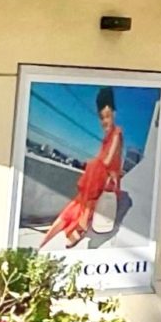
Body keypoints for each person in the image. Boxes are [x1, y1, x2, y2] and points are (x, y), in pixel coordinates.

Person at [40, 88, 125, 249]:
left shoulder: (117, 133)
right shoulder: (108, 136)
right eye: (101, 118)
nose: (104, 121)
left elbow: (107, 161)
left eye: (107, 116)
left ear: (114, 113)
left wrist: (90, 164)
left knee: (82, 204)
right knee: (73, 207)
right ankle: (41, 244)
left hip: (105, 182)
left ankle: (79, 227)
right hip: (97, 181)